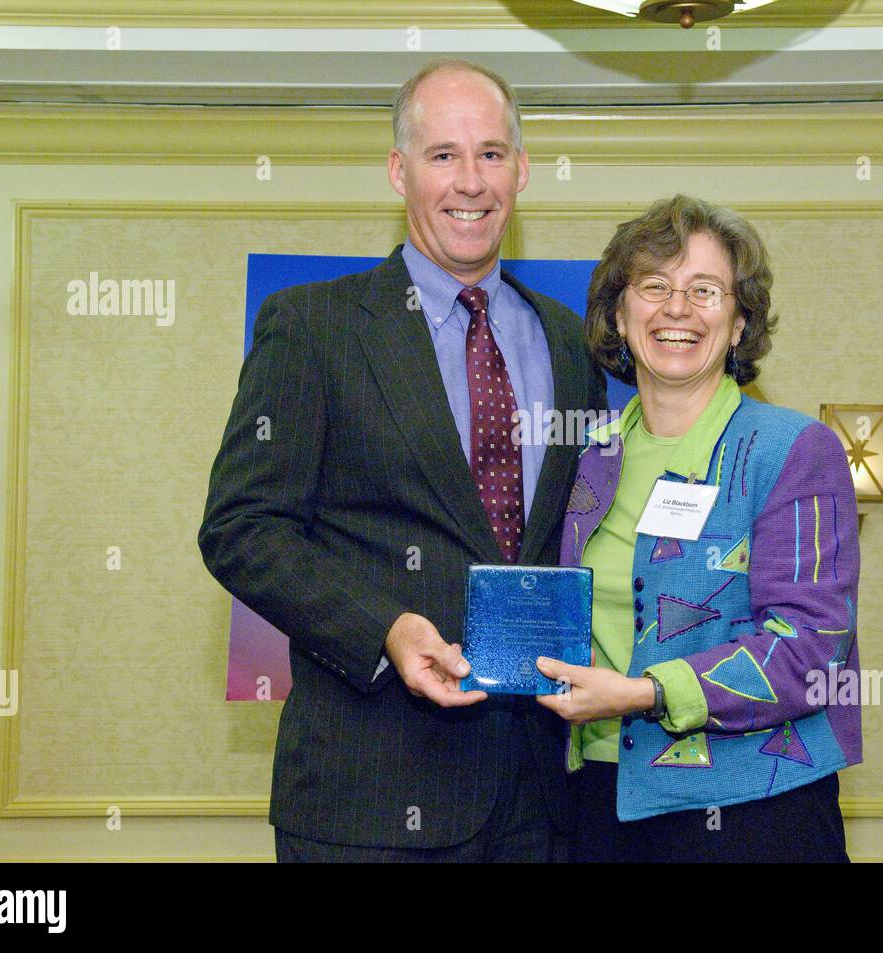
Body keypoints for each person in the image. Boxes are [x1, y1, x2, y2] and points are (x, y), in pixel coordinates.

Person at [198, 58, 607, 862]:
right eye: (443, 155)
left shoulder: (569, 341)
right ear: (398, 171)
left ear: (522, 172)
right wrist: (381, 628)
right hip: (368, 800)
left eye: (491, 154)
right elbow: (241, 527)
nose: (471, 181)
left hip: (539, 804)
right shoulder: (314, 328)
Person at [536, 194, 862, 862]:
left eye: (705, 290)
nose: (677, 309)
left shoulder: (792, 448)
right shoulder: (585, 456)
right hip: (596, 803)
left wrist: (647, 691)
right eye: (654, 286)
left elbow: (809, 647)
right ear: (620, 316)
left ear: (741, 323)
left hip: (755, 810)